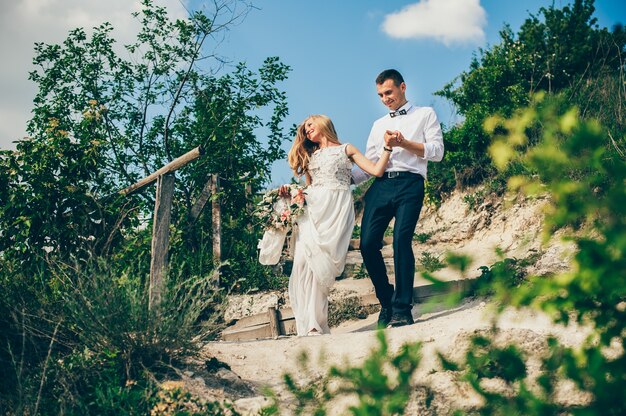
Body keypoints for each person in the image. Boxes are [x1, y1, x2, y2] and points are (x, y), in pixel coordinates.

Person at [287, 114, 395, 336]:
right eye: (305, 129)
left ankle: (316, 321)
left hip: (336, 208)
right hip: (313, 209)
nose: (307, 130)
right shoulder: (310, 156)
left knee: (323, 263)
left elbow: (376, 171)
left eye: (310, 125)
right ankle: (311, 324)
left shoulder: (346, 149)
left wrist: (387, 148)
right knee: (303, 263)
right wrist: (293, 196)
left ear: (323, 123)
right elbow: (308, 188)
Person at [360, 69, 444, 328]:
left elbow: (437, 152)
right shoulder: (377, 125)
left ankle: (402, 309)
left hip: (411, 183)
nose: (385, 98)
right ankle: (386, 300)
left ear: (403, 87)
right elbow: (371, 163)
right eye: (380, 95)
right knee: (367, 244)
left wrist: (405, 143)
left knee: (400, 241)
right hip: (381, 184)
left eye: (389, 92)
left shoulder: (425, 114)